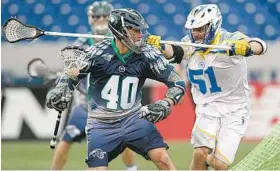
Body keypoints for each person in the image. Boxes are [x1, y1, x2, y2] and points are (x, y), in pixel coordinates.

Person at [46, 8, 186, 170]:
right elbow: (71, 75)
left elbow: (177, 82)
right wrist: (61, 90)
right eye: (135, 30)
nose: (141, 35)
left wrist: (166, 103)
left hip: (134, 119)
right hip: (101, 124)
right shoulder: (97, 53)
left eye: (141, 30)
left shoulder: (147, 54)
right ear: (120, 31)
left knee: (162, 158)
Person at [147, 4, 267, 170]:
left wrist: (247, 48)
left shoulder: (229, 39)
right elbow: (175, 52)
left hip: (235, 107)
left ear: (213, 25)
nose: (196, 33)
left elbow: (260, 45)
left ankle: (211, 162)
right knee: (199, 152)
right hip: (207, 107)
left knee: (220, 165)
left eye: (201, 29)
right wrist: (159, 46)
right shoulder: (190, 43)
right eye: (194, 29)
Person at [50, 2, 137, 170]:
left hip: (114, 104)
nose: (101, 19)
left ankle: (132, 169)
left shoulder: (121, 42)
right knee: (65, 141)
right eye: (97, 16)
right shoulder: (81, 43)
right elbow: (71, 69)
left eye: (105, 16)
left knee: (124, 141)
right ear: (91, 19)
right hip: (86, 104)